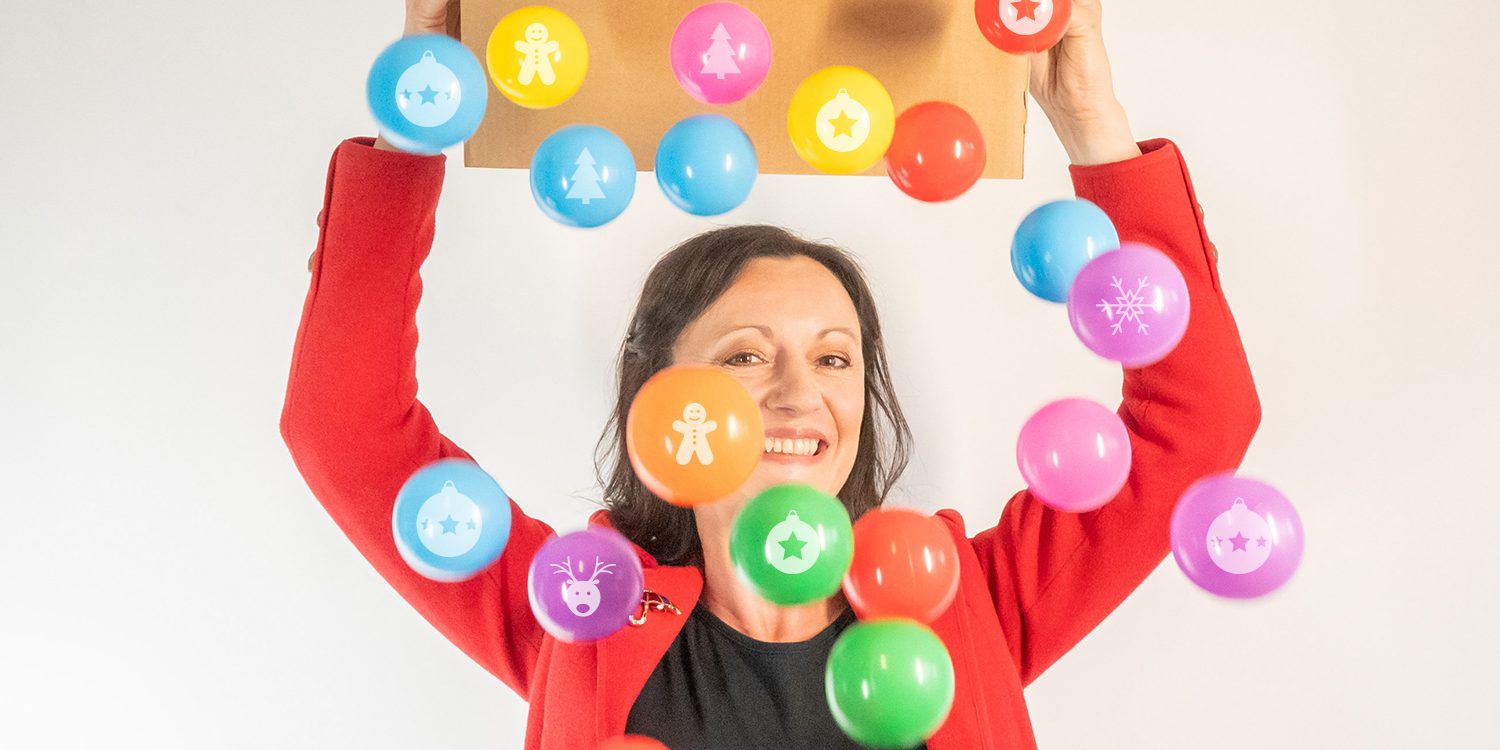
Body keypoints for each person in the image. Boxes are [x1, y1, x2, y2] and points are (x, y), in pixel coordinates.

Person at [280, 1, 1261, 748]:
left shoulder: (970, 602)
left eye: (835, 357)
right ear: (654, 399)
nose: (800, 391)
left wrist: (1093, 123)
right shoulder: (579, 607)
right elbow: (346, 427)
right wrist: (421, 110)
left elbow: (1200, 424)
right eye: (744, 355)